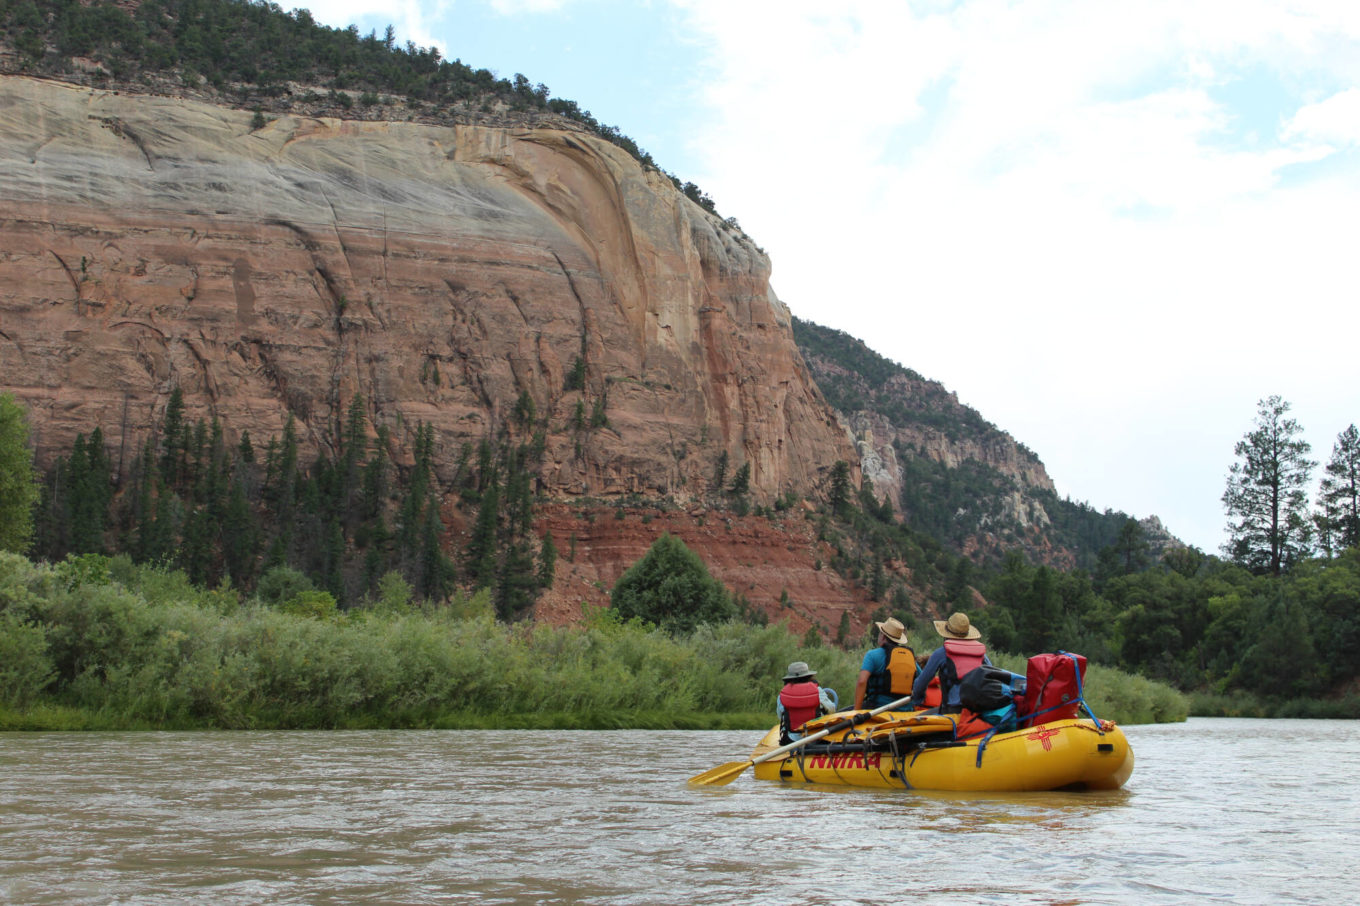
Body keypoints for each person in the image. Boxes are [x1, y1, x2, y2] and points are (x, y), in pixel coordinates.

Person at [912, 612, 991, 713]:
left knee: (919, 718)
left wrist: (918, 700)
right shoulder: (982, 655)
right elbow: (990, 678)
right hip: (978, 710)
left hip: (953, 710)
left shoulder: (941, 653)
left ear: (946, 635)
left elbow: (921, 683)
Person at [852, 617, 917, 710]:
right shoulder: (909, 658)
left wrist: (856, 711)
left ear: (882, 636)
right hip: (906, 711)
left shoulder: (872, 655)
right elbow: (921, 680)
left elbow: (862, 681)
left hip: (878, 709)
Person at [777, 661, 837, 743]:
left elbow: (781, 716)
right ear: (808, 676)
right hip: (817, 738)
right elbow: (832, 710)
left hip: (792, 740)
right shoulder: (818, 691)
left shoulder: (782, 696)